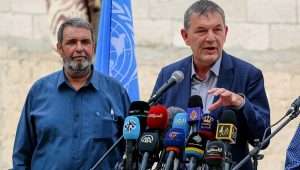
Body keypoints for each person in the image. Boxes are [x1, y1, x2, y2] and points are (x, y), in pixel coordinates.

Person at [152, 0, 270, 169]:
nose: (211, 38)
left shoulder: (248, 75)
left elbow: (263, 138)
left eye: (217, 30)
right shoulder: (170, 76)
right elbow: (154, 134)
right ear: (185, 36)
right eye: (201, 31)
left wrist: (241, 104)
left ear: (226, 32)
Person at [12, 18, 130, 169]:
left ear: (94, 47)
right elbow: (21, 156)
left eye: (85, 42)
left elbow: (133, 151)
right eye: (72, 42)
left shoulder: (116, 92)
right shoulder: (39, 92)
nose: (79, 48)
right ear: (59, 49)